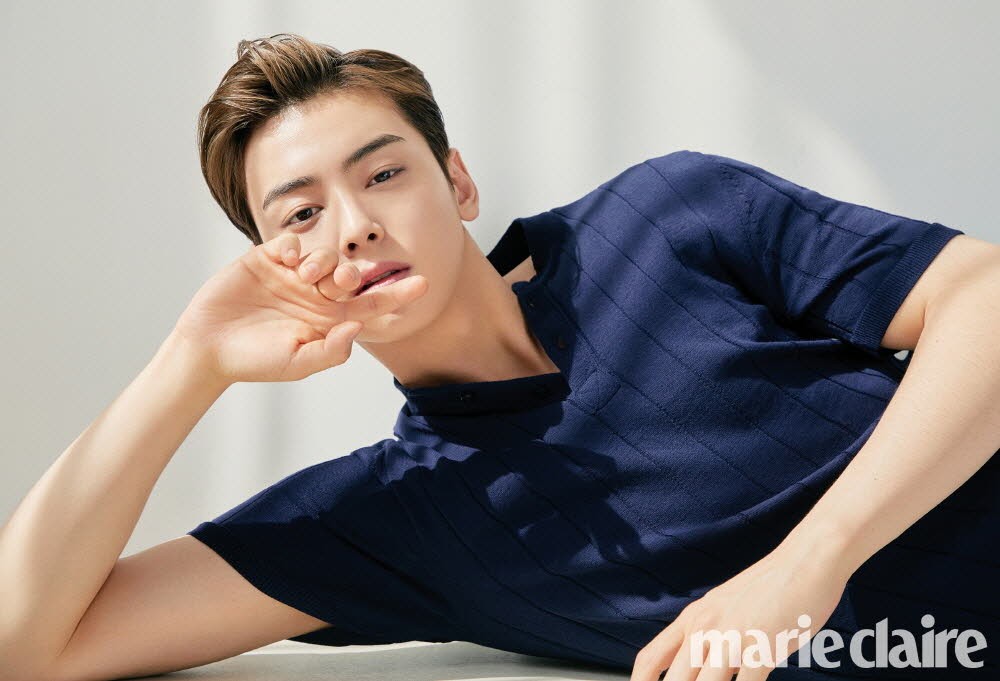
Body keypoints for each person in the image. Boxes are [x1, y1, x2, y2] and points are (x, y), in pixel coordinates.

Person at [1, 32, 997, 681]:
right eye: (299, 216)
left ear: (458, 183)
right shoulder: (398, 519)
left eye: (382, 175)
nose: (353, 227)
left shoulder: (667, 216)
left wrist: (808, 565)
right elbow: (26, 643)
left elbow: (983, 296)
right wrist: (188, 365)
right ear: (275, 265)